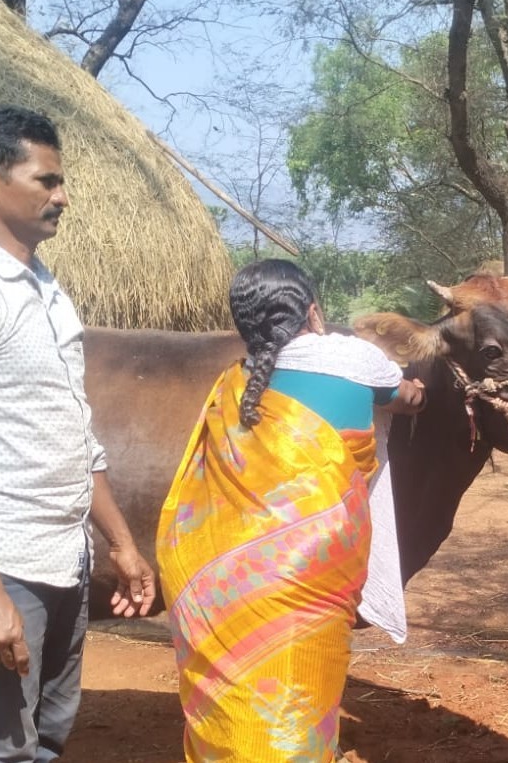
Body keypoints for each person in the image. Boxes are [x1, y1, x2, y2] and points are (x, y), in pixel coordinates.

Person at [0, 104, 156, 761]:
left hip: (66, 555)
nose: (62, 196)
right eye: (46, 180)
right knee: (1, 744)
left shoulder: (47, 291)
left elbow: (77, 434)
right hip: (7, 561)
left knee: (47, 734)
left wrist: (122, 546)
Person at [156, 258, 426, 763]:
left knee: (227, 697)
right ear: (315, 313)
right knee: (300, 695)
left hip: (217, 578)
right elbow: (405, 397)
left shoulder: (233, 384)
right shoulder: (352, 358)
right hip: (310, 571)